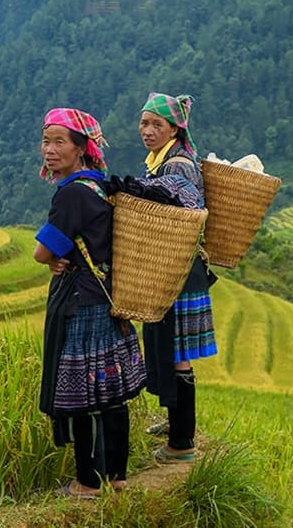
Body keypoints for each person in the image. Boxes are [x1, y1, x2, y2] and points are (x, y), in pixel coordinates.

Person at [34, 107, 147, 498]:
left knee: (81, 397)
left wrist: (52, 259)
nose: (49, 150)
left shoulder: (70, 195)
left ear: (81, 148)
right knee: (111, 395)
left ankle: (86, 482)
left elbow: (42, 252)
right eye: (46, 141)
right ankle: (116, 477)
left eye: (59, 142)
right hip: (108, 300)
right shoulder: (99, 186)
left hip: (82, 304)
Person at [137, 92, 217, 463]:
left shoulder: (178, 166)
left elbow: (185, 219)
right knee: (167, 348)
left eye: (157, 125)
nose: (148, 131)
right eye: (144, 123)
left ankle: (181, 443)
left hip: (181, 273)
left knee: (178, 355)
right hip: (171, 271)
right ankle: (174, 421)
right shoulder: (160, 161)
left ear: (174, 129)